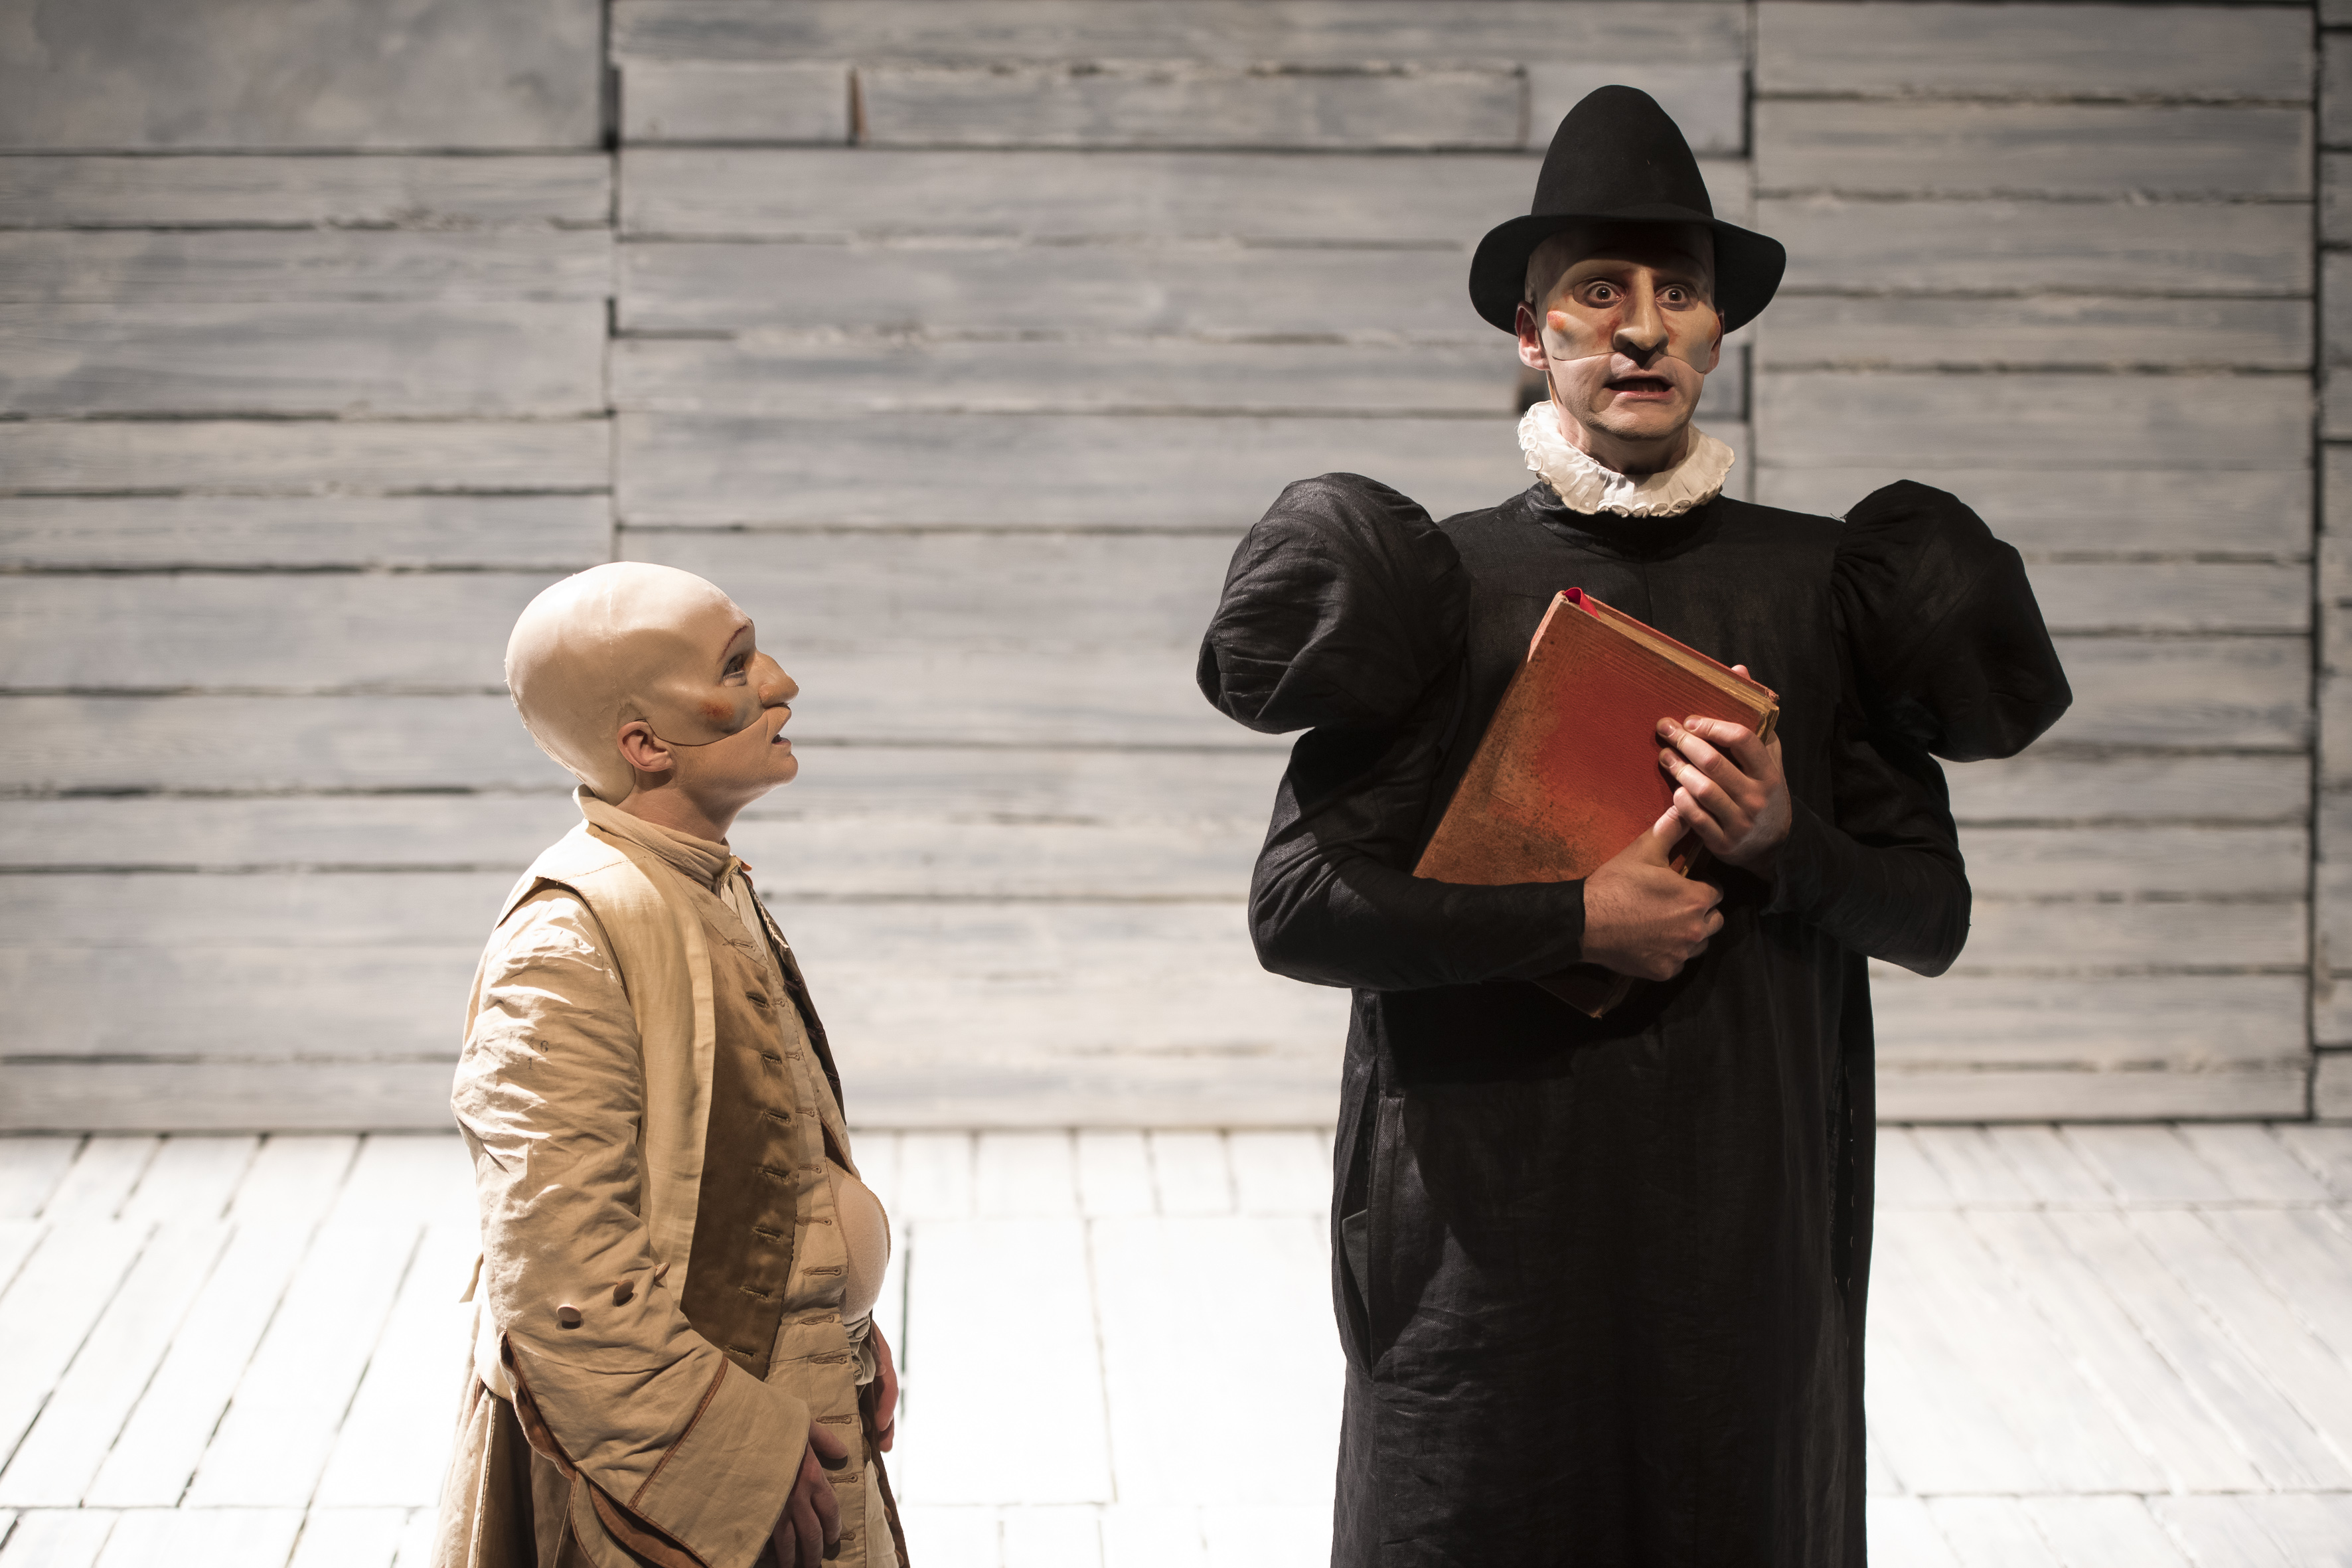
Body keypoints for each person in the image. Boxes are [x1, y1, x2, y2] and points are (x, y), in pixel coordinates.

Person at [1196, 88, 2073, 1565]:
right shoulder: (1439, 586)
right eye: (1599, 291)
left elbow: (1931, 915)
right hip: (1486, 1232)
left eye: (1679, 294)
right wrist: (1574, 918)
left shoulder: (1823, 588)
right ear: (1529, 334)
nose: (1643, 328)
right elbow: (1298, 909)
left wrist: (1787, 839)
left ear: (1718, 336)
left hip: (1743, 1231)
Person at [434, 562, 905, 1568]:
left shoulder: (700, 882)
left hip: (792, 1379)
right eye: (736, 667)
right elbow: (560, 1274)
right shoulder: (564, 942)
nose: (781, 683)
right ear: (645, 744)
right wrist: (732, 1457)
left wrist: (842, 1326)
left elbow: (760, 1162)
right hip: (685, 1477)